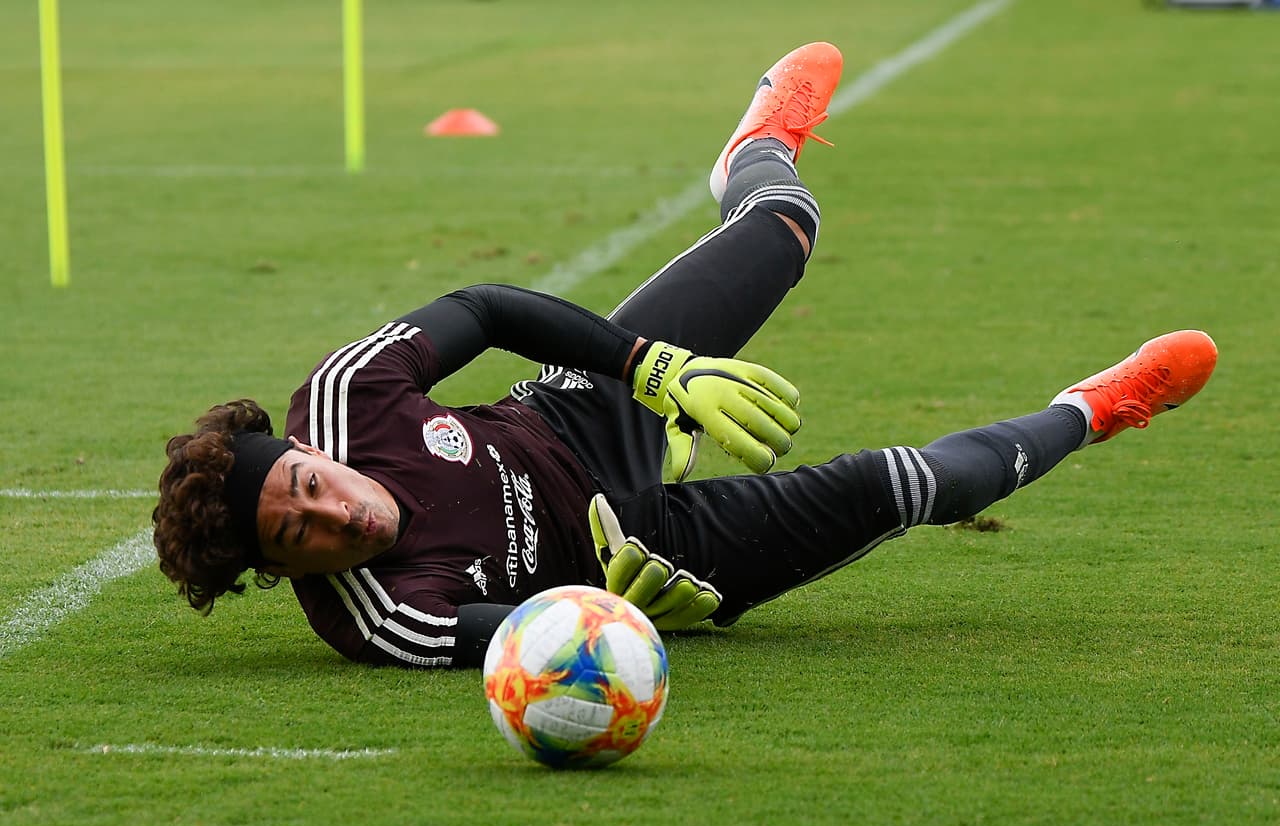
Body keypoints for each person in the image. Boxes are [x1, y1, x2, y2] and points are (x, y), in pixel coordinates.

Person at [153, 43, 1218, 669]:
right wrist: (627, 619)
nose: (336, 513)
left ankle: (755, 148)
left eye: (308, 485)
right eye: (301, 538)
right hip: (636, 547)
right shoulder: (377, 617)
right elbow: (538, 639)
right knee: (909, 487)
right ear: (284, 575)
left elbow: (480, 306)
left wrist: (650, 370)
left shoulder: (345, 395)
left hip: (572, 414)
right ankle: (1097, 407)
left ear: (302, 446)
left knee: (781, 227)